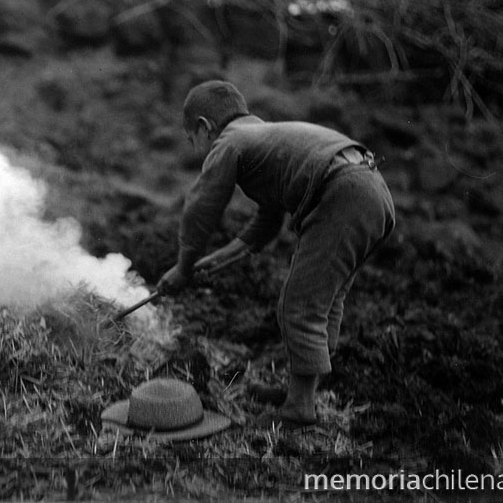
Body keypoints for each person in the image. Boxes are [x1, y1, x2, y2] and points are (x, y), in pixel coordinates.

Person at [157, 80, 395, 426]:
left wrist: (182, 267)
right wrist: (219, 259)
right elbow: (267, 224)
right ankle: (303, 392)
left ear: (204, 127)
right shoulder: (264, 138)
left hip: (343, 193)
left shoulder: (230, 143)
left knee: (299, 305)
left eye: (191, 139)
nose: (194, 148)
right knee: (323, 300)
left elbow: (200, 208)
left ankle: (299, 408)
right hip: (373, 193)